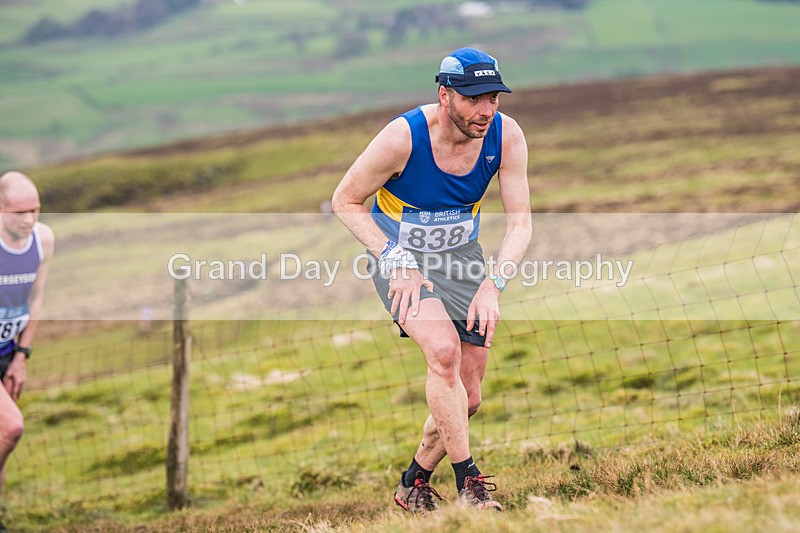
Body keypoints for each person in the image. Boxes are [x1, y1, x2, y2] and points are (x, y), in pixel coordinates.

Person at [332, 48, 531, 512]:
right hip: (400, 262)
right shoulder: (403, 137)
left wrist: (493, 285)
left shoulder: (507, 136)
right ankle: (470, 487)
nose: (486, 111)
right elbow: (345, 200)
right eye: (474, 99)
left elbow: (520, 224)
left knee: (470, 395)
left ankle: (413, 483)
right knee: (442, 353)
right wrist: (394, 255)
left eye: (493, 99)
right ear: (445, 96)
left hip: (463, 261)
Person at [0, 171, 55, 504]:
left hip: (7, 352)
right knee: (11, 428)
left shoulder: (43, 239)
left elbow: (35, 298)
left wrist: (21, 356)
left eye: (35, 210)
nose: (29, 219)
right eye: (19, 212)